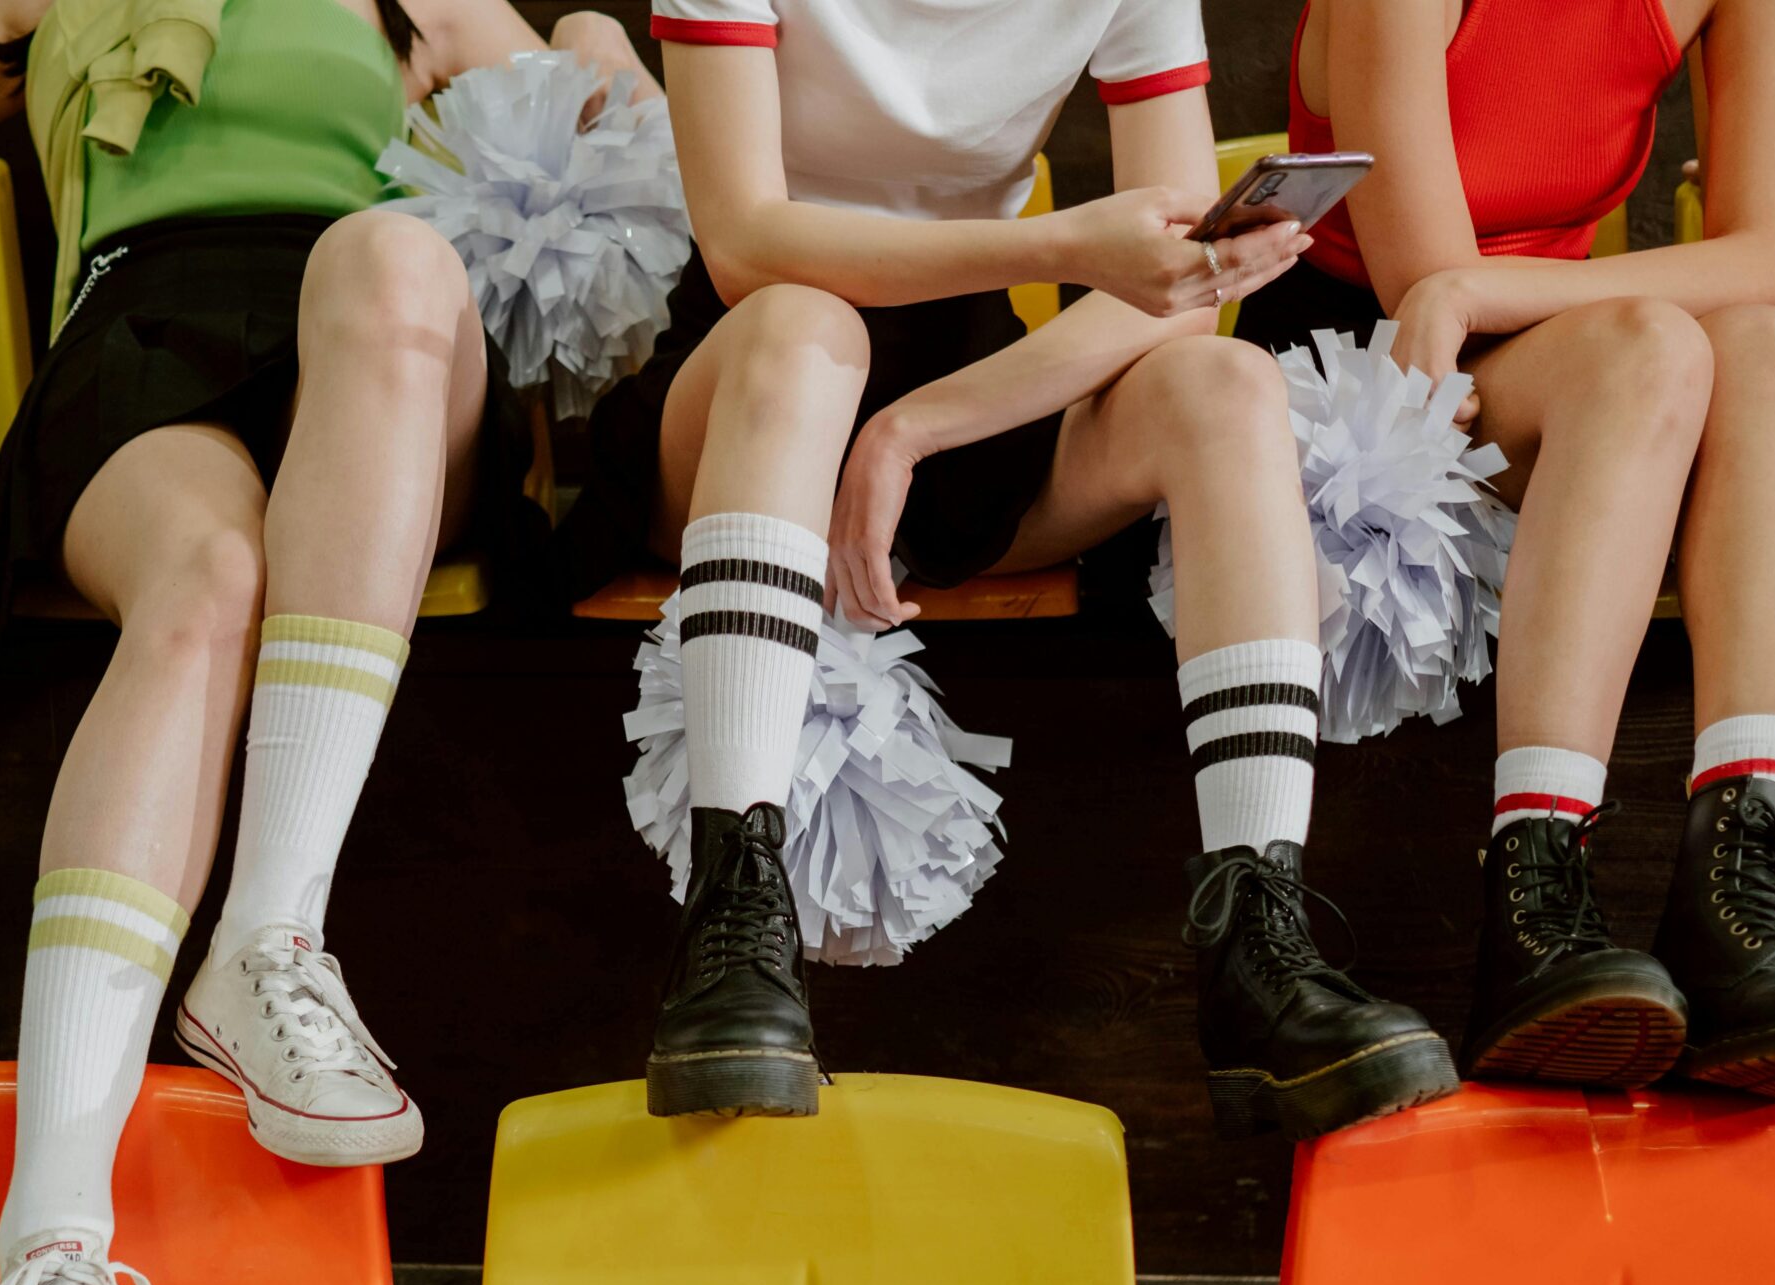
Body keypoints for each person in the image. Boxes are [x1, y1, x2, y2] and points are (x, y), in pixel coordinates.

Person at [0, 0, 654, 1285]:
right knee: (202, 588)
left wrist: (578, 44)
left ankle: (270, 930)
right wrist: (6, 25)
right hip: (138, 329)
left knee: (388, 253)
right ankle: (51, 1250)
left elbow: (632, 141)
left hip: (376, 351)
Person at [568, 0, 1463, 1134]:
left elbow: (1183, 299)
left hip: (973, 399)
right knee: (807, 330)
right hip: (749, 378)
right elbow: (748, 242)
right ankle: (733, 919)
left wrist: (919, 427)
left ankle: (1259, 943)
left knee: (1228, 384)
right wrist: (1061, 244)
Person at [1235, 0, 1775, 1107]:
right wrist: (1470, 291)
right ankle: (1532, 895)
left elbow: (1765, 262)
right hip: (1368, 382)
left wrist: (1484, 287)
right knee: (1646, 350)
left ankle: (1746, 890)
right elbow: (1424, 293)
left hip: (1561, 347)